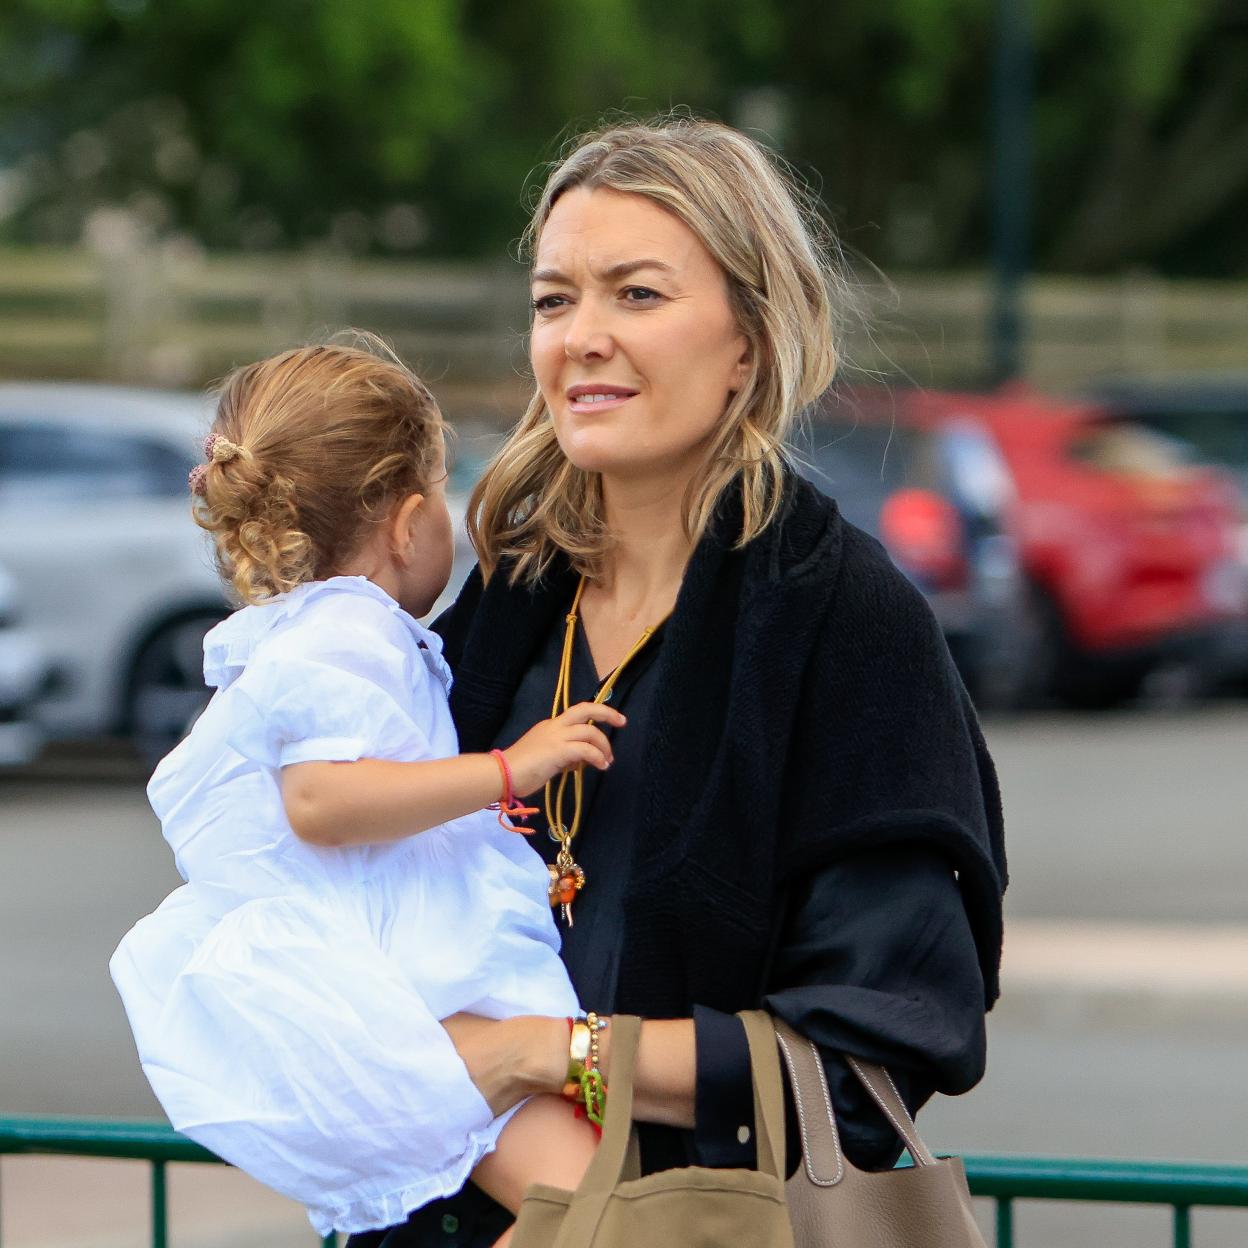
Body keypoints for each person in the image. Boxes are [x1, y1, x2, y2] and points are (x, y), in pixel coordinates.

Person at [350, 116, 1007, 1247]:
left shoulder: (845, 622)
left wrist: (538, 1055)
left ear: (750, 341)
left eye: (637, 295)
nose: (583, 338)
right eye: (556, 301)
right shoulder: (506, 607)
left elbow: (868, 1054)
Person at [109, 341, 624, 1240]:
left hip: (407, 987)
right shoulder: (348, 632)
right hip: (422, 992)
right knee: (606, 1216)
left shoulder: (301, 632)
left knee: (586, 1210)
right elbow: (322, 803)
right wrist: (510, 769)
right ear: (406, 521)